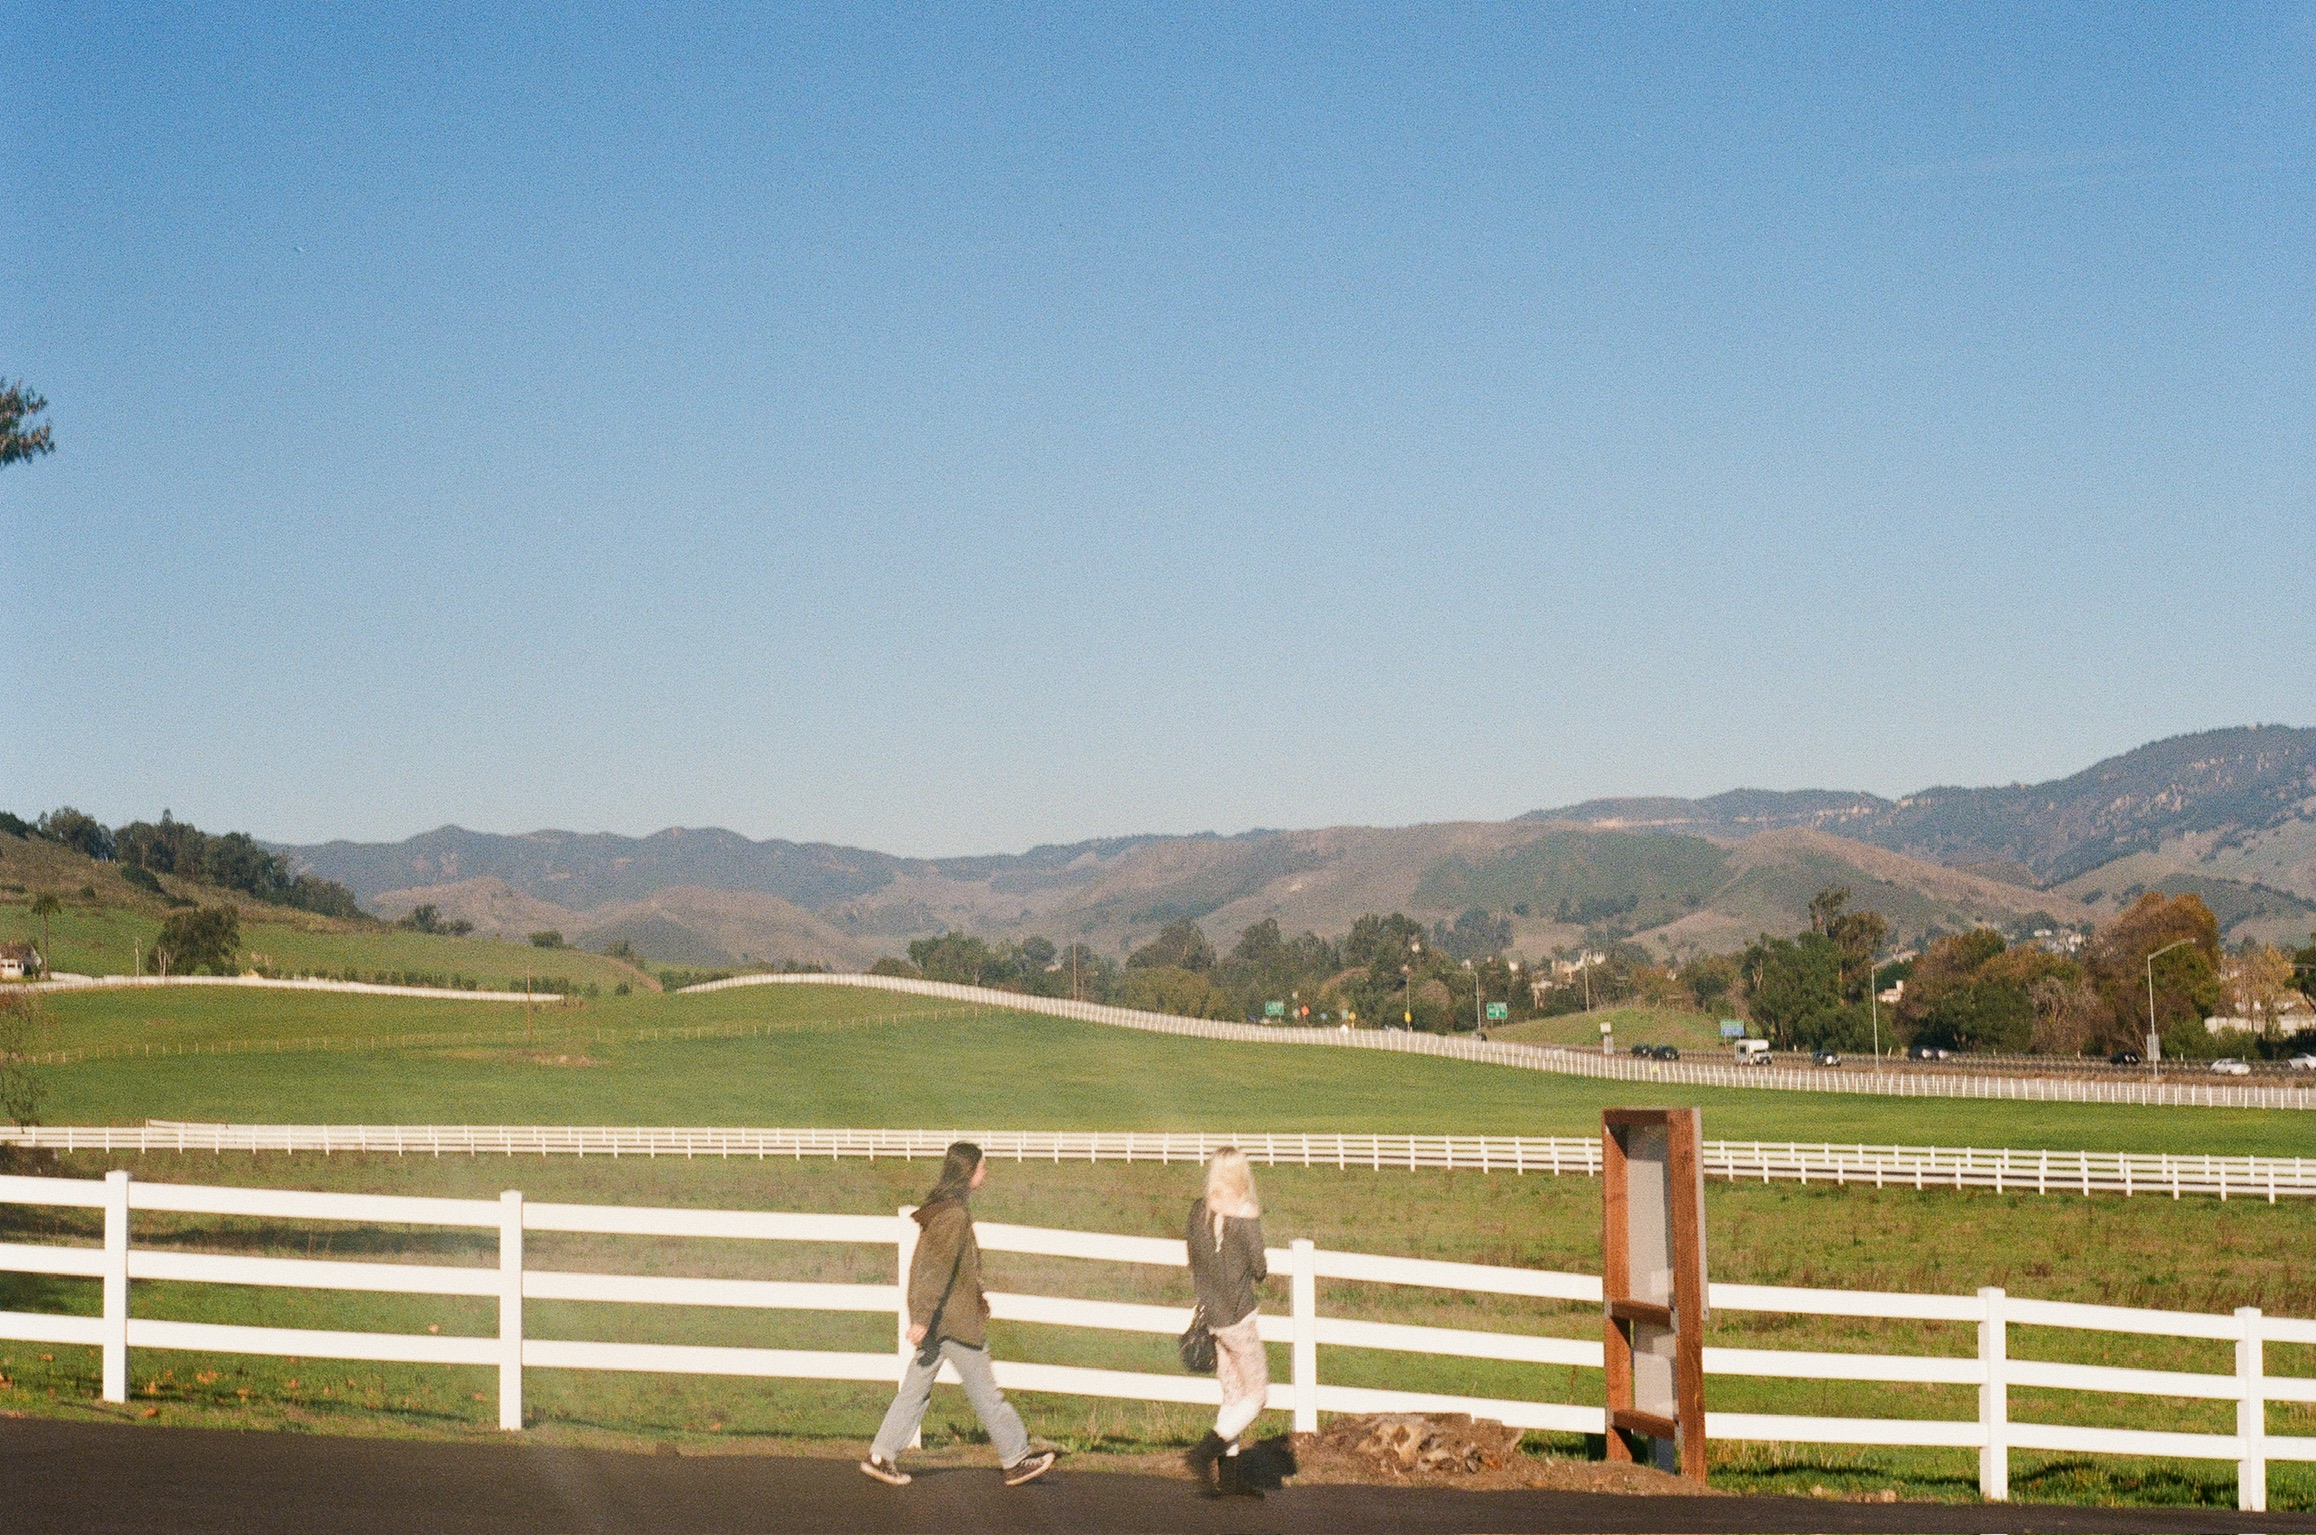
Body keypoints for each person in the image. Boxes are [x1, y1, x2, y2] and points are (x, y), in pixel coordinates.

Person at [860, 1142, 1056, 1488]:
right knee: (987, 1394)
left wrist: (933, 1314)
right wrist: (922, 1317)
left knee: (914, 1391)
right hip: (953, 1323)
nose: (986, 1173)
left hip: (939, 1321)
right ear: (968, 1172)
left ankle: (880, 1456)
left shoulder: (944, 1210)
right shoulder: (954, 1216)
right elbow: (936, 1269)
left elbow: (939, 1269)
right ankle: (1016, 1459)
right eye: (982, 1167)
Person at [1183, 1147, 1269, 1498]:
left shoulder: (1198, 1211)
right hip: (1238, 1318)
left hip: (1211, 1316)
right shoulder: (1246, 1214)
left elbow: (1193, 1260)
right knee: (1257, 1396)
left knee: (1233, 1393)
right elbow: (1259, 1269)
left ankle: (1230, 1478)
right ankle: (1205, 1452)